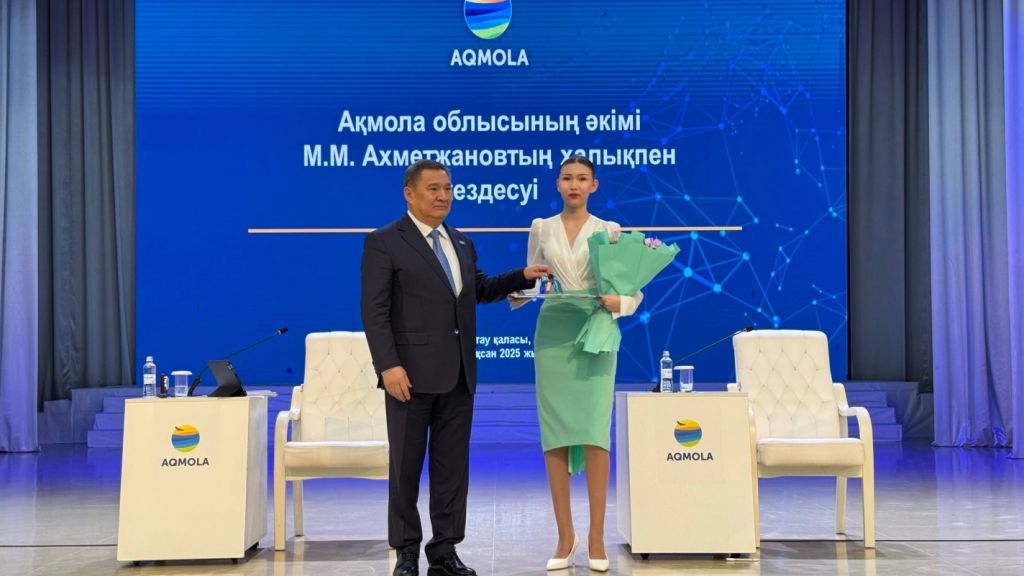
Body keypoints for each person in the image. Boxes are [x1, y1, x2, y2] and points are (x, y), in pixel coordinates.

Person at [361, 159, 549, 576]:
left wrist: (521, 275)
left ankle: (444, 550)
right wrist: (388, 365)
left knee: (452, 470)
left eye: (447, 188)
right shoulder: (384, 241)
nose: (443, 196)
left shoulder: (461, 242)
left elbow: (477, 289)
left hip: (458, 375)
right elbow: (374, 311)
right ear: (409, 193)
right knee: (405, 468)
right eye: (433, 188)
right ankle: (406, 552)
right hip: (408, 377)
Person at [515, 155, 642, 572]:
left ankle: (596, 537)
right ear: (557, 184)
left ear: (594, 185)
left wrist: (621, 303)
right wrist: (519, 291)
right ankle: (565, 537)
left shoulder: (609, 231)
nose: (574, 185)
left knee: (594, 432)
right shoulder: (541, 227)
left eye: (582, 178)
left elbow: (632, 289)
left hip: (595, 331)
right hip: (553, 332)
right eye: (567, 178)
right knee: (555, 433)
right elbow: (533, 278)